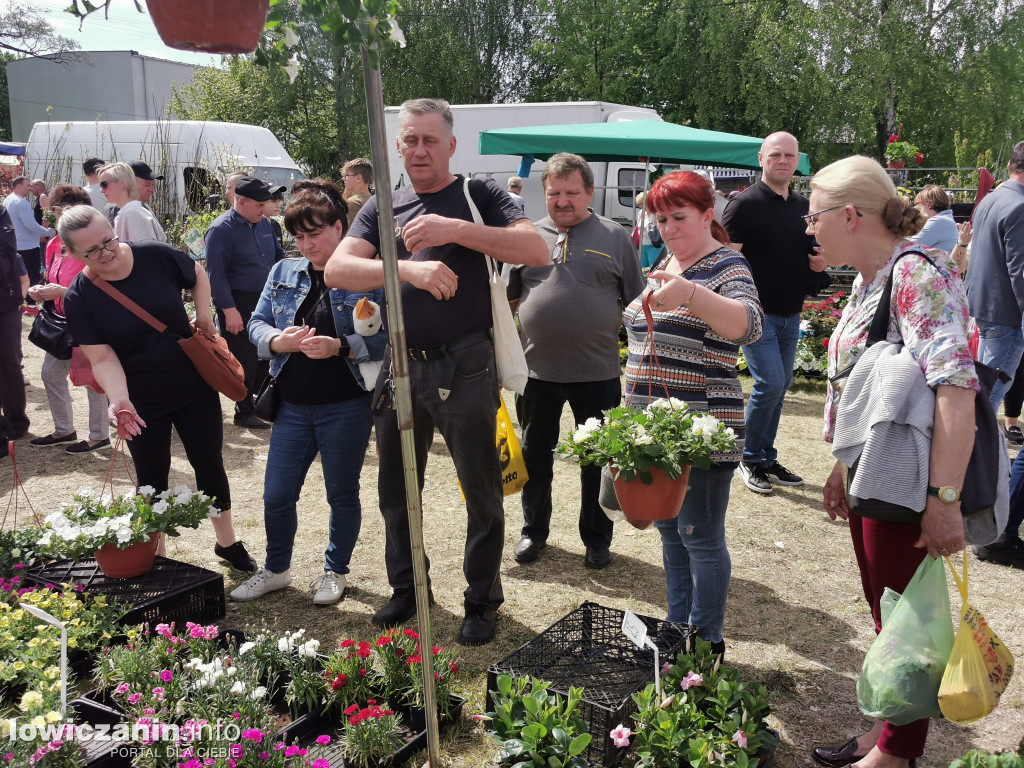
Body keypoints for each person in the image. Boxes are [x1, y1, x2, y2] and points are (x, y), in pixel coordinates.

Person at [324, 98, 548, 645]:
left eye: (430, 140)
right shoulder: (382, 204)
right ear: (397, 147)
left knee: (481, 488)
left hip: (467, 361)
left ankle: (481, 600)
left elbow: (536, 247)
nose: (419, 149)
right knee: (396, 490)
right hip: (400, 365)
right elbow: (337, 269)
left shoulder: (479, 194)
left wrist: (458, 229)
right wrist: (409, 270)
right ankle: (408, 589)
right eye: (409, 140)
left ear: (450, 145)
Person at [811, 156, 977, 768]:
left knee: (906, 622)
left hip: (911, 485)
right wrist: (841, 466)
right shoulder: (871, 278)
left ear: (850, 215)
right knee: (886, 611)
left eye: (815, 215)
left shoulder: (917, 277)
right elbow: (861, 389)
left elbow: (956, 390)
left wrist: (944, 500)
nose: (810, 228)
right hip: (876, 475)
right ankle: (885, 734)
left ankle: (895, 755)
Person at [59, 205, 258, 573]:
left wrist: (203, 314)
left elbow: (196, 272)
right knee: (152, 477)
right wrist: (120, 400)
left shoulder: (154, 255)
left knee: (209, 463)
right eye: (93, 251)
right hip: (140, 398)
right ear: (71, 253)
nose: (107, 253)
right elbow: (102, 359)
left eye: (109, 240)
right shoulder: (80, 297)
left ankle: (227, 543)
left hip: (192, 382)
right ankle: (157, 554)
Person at [624, 171, 763, 655]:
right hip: (655, 431)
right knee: (669, 531)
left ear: (708, 216)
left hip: (702, 429)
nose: (668, 227)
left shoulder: (726, 265)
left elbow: (748, 326)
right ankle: (677, 623)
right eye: (660, 218)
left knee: (698, 534)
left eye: (679, 217)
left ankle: (707, 639)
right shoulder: (669, 259)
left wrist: (692, 295)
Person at [231, 179, 387, 605]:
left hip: (346, 404)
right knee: (277, 494)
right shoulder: (284, 271)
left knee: (341, 493)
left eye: (315, 233)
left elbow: (389, 338)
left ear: (340, 227)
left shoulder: (367, 271)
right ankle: (277, 569)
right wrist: (280, 341)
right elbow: (256, 323)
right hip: (293, 406)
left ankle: (335, 571)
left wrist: (340, 347)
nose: (306, 244)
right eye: (298, 236)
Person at [507, 152, 645, 569]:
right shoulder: (527, 237)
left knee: (598, 459)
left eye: (571, 192)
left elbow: (636, 302)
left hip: (597, 373)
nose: (562, 200)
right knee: (535, 456)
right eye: (554, 193)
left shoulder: (614, 237)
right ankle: (534, 532)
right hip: (536, 373)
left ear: (589, 192)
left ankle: (597, 539)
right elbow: (508, 300)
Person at [722, 132, 825, 494]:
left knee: (781, 387)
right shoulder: (743, 204)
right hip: (756, 312)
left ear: (797, 161)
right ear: (761, 158)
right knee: (771, 383)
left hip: (792, 310)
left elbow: (813, 249)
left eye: (789, 156)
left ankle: (765, 455)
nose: (783, 161)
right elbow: (727, 258)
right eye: (776, 154)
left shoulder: (803, 205)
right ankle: (747, 457)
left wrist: (821, 261)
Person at [27, 185, 111, 454]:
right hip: (61, 321)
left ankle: (99, 435)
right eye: (55, 212)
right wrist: (41, 290)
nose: (56, 217)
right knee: (50, 373)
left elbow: (99, 288)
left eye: (61, 212)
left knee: (91, 378)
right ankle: (64, 429)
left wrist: (62, 292)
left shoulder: (91, 247)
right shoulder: (54, 244)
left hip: (88, 321)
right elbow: (54, 277)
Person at [205, 176, 287, 430]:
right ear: (242, 202)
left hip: (265, 299)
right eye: (260, 205)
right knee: (244, 359)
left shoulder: (264, 224)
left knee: (267, 355)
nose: (264, 210)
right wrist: (229, 311)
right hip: (238, 303)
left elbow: (278, 257)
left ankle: (262, 403)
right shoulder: (220, 230)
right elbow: (215, 276)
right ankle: (243, 411)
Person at [965, 141, 1024, 413]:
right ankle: (969, 452)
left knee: (981, 390)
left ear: (1011, 165)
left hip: (984, 305)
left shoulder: (991, 198)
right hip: (1007, 314)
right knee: (988, 397)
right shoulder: (1019, 205)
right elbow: (1020, 269)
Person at [0, 199, 30, 439]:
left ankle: (16, 422)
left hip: (4, 303)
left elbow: (6, 252)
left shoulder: (1, 213)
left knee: (8, 362)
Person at [3, 176, 54, 307]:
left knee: (16, 275)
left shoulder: (8, 200)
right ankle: (31, 305)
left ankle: (19, 300)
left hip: (15, 243)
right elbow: (30, 224)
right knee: (32, 274)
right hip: (28, 245)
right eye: (27, 185)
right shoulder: (21, 203)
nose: (30, 188)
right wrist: (48, 232)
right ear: (18, 185)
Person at [98, 162, 167, 243]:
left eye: (104, 184)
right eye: (147, 185)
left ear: (122, 183)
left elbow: (142, 253)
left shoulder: (131, 213)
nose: (101, 190)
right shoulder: (133, 210)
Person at [912, 185, 958, 255]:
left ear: (929, 204)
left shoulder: (939, 221)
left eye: (917, 204)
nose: (915, 208)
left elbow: (908, 246)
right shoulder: (945, 220)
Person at [340, 158, 373, 227]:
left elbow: (349, 233)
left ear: (358, 178)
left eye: (347, 176)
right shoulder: (374, 201)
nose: (343, 179)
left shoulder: (353, 203)